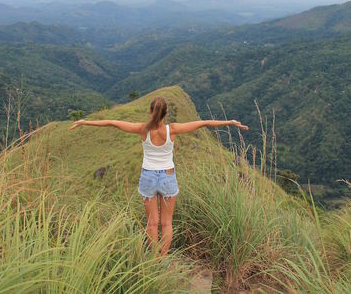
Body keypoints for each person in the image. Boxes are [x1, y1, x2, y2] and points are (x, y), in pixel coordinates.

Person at [68, 96, 248, 256]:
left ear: (150, 111)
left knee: (152, 223)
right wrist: (230, 122)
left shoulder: (142, 129)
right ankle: (163, 258)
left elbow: (113, 122)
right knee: (166, 223)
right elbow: (204, 123)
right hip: (168, 177)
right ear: (166, 112)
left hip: (148, 177)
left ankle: (153, 260)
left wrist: (85, 122)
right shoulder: (173, 129)